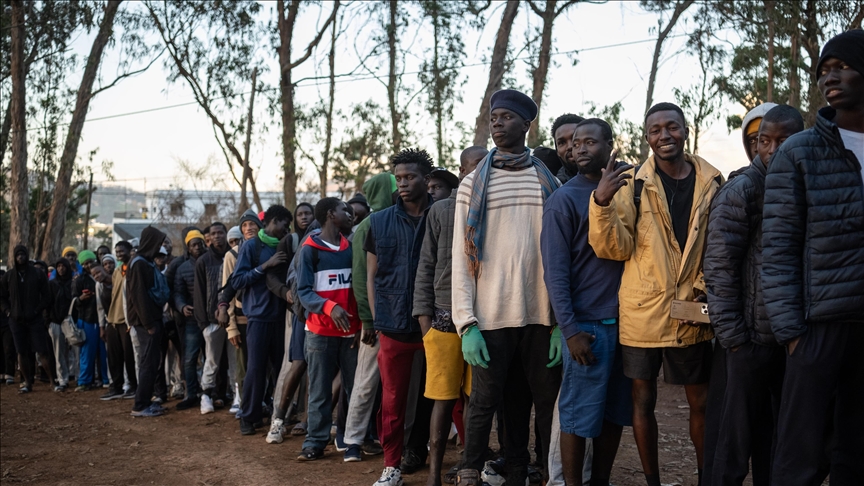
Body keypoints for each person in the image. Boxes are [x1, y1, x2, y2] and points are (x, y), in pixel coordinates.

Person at [588, 102, 723, 486]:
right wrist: (600, 203)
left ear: (685, 129)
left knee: (701, 401)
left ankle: (704, 477)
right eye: (655, 130)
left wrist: (705, 290)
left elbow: (718, 246)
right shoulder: (632, 184)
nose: (664, 136)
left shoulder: (711, 182)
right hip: (642, 312)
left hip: (692, 311)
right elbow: (613, 248)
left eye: (672, 127)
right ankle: (652, 481)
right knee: (642, 401)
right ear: (646, 137)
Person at [762, 30, 864, 486]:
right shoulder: (799, 151)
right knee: (799, 458)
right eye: (824, 71)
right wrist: (792, 335)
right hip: (818, 325)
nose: (830, 78)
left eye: (841, 66)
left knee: (857, 451)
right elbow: (778, 248)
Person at [452, 89, 562, 485]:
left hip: (540, 316)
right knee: (483, 401)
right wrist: (467, 324)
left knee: (537, 402)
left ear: (526, 125)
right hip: (490, 316)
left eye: (506, 117)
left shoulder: (546, 182)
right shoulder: (472, 186)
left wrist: (560, 324)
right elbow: (461, 260)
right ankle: (469, 469)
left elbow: (559, 256)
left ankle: (539, 471)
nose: (497, 123)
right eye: (494, 117)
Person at [703, 105, 804, 486]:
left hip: (788, 339)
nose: (772, 149)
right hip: (746, 341)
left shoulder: (799, 185)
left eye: (783, 141)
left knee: (776, 440)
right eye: (764, 141)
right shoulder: (743, 188)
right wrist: (734, 340)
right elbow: (719, 267)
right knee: (731, 446)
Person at [542, 119, 633, 486]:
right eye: (575, 143)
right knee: (578, 417)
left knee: (615, 414)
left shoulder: (632, 189)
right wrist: (571, 330)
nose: (579, 148)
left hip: (628, 323)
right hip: (587, 328)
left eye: (590, 142)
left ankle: (601, 481)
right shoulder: (562, 200)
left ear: (610, 145)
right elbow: (555, 274)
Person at [413, 145, 485, 486]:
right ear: (461, 170)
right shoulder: (441, 210)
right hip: (443, 316)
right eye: (474, 165)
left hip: (485, 317)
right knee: (442, 398)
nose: (481, 171)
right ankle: (434, 473)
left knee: (477, 398)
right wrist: (424, 318)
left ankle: (470, 466)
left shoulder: (492, 206)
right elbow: (425, 264)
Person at [367, 149, 436, 486]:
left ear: (426, 179)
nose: (404, 183)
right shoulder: (378, 222)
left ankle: (469, 462)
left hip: (437, 323)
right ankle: (391, 465)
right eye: (400, 178)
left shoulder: (441, 216)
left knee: (451, 396)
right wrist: (379, 318)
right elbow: (371, 275)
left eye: (410, 177)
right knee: (392, 402)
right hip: (393, 327)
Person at [293, 198, 361, 460]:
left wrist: (359, 323)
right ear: (331, 214)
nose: (350, 213)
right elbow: (303, 292)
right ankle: (315, 442)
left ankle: (354, 439)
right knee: (320, 391)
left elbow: (357, 289)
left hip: (351, 333)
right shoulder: (309, 249)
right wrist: (330, 307)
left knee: (355, 389)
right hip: (320, 332)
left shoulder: (350, 247)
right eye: (345, 210)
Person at [338, 173, 397, 459]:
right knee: (365, 381)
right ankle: (352, 440)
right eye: (394, 188)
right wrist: (368, 321)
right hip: (374, 320)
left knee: (394, 386)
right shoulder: (367, 227)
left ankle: (388, 439)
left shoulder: (399, 219)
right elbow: (361, 280)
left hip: (399, 318)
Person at [230, 205, 292, 435]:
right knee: (255, 369)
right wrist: (265, 266)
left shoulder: (285, 245)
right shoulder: (251, 246)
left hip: (281, 318)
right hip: (257, 317)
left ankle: (278, 415)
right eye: (284, 225)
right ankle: (248, 416)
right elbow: (237, 281)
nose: (286, 230)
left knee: (280, 369)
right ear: (273, 221)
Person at [0, 245, 55, 393]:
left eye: (23, 254)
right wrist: (8, 312)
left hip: (35, 319)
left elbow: (47, 296)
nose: (20, 257)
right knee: (21, 352)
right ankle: (27, 383)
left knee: (42, 351)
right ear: (14, 257)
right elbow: (2, 297)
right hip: (16, 320)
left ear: (27, 255)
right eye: (17, 255)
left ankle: (52, 382)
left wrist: (38, 310)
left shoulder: (38, 274)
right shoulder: (9, 276)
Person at [126, 226, 169, 417]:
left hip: (152, 320)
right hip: (147, 323)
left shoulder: (144, 262)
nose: (160, 246)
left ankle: (145, 402)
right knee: (148, 363)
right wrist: (148, 323)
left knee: (152, 362)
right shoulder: (138, 264)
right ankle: (140, 405)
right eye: (158, 242)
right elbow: (138, 297)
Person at [194, 223, 232, 414]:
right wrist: (203, 323)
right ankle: (206, 395)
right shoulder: (203, 261)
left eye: (221, 233)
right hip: (211, 321)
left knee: (234, 361)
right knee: (212, 361)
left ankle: (238, 397)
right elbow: (199, 293)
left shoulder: (233, 255)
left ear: (226, 234)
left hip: (233, 319)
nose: (217, 236)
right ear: (209, 237)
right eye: (214, 234)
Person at [100, 241, 138, 401]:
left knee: (129, 356)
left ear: (130, 251)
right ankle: (116, 387)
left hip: (127, 321)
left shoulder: (134, 269)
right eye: (117, 251)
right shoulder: (117, 271)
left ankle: (133, 387)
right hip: (113, 320)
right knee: (114, 357)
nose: (119, 254)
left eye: (122, 251)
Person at [174, 230, 207, 410]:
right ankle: (192, 394)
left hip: (211, 318)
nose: (197, 247)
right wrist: (181, 306)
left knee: (213, 358)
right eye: (194, 244)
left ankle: (212, 393)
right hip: (192, 320)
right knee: (190, 359)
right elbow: (178, 292)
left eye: (200, 243)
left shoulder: (212, 262)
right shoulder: (182, 268)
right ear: (188, 247)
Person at [72, 250, 109, 392]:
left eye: (90, 262)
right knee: (87, 352)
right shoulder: (79, 280)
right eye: (85, 263)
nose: (88, 265)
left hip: (103, 319)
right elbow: (74, 301)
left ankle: (106, 379)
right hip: (87, 319)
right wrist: (81, 299)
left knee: (105, 352)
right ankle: (84, 381)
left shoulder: (104, 276)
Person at [46, 258, 74, 392]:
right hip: (55, 321)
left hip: (70, 321)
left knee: (73, 350)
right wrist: (48, 321)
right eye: (59, 266)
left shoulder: (73, 282)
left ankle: (74, 375)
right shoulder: (52, 284)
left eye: (64, 266)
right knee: (58, 352)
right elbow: (47, 303)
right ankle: (62, 379)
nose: (61, 268)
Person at [551, 113, 586, 183]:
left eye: (574, 138)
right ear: (557, 151)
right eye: (562, 143)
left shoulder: (613, 174)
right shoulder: (556, 187)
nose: (570, 146)